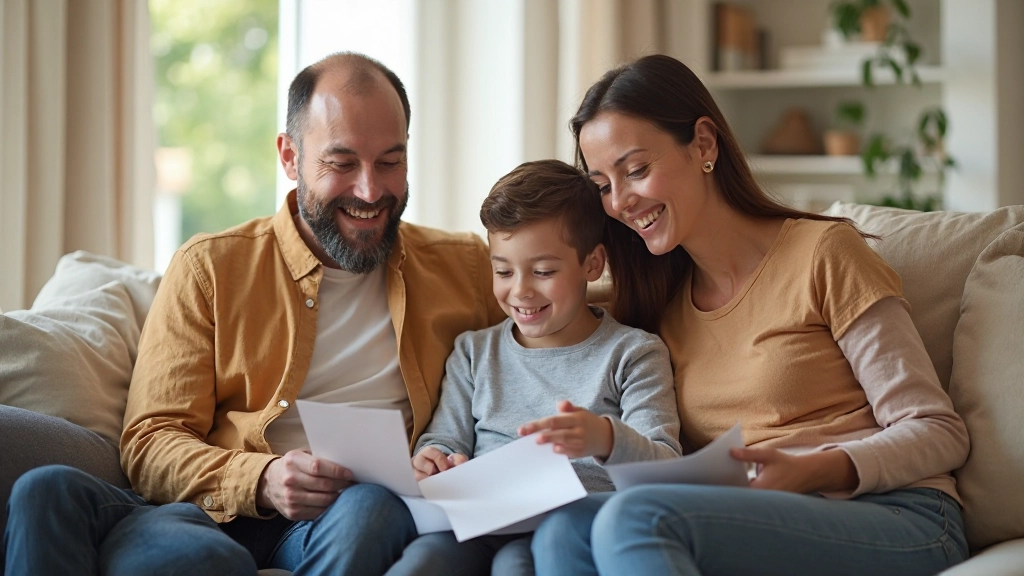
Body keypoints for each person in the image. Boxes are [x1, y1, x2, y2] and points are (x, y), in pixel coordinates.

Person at [4, 52, 505, 575]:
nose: (369, 190)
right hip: (209, 515)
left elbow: (556, 320)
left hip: (346, 518)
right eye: (341, 163)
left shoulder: (465, 265)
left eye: (389, 161)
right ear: (290, 157)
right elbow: (150, 442)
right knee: (56, 492)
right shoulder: (212, 267)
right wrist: (261, 479)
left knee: (372, 507)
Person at [530, 54, 971, 576]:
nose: (621, 201)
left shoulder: (824, 253)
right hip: (753, 515)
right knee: (563, 527)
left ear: (704, 144)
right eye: (603, 185)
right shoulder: (656, 308)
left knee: (637, 518)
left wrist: (812, 470)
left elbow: (938, 429)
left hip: (897, 514)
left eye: (637, 170)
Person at [386, 160, 683, 576]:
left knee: (515, 565)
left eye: (543, 271)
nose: (520, 290)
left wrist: (605, 439)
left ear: (592, 264)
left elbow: (667, 466)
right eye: (503, 270)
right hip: (481, 520)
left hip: (572, 528)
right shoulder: (474, 352)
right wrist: (434, 458)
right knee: (421, 563)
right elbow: (445, 437)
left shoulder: (633, 354)